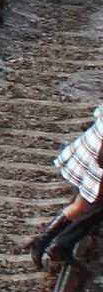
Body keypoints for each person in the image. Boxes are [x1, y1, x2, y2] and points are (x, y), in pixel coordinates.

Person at [30, 100, 103, 268]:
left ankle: (45, 240)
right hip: (99, 160)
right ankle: (59, 244)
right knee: (92, 206)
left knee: (82, 204)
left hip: (91, 147)